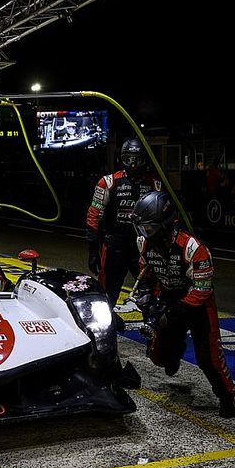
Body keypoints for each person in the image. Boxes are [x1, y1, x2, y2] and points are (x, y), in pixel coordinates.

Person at [130, 190, 235, 418]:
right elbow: (146, 272)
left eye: (148, 228)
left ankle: (226, 396)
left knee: (209, 359)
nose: (143, 234)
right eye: (141, 228)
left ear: (165, 224)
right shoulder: (144, 243)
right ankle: (175, 351)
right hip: (168, 295)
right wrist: (147, 295)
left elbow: (202, 289)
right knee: (159, 358)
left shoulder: (194, 248)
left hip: (199, 305)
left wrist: (174, 312)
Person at [86, 138, 159, 328]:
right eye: (128, 159)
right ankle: (104, 322)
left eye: (138, 160)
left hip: (143, 246)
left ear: (146, 160)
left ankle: (153, 322)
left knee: (150, 287)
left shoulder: (155, 184)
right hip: (114, 245)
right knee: (107, 290)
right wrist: (93, 250)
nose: (133, 164)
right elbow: (93, 216)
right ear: (122, 159)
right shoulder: (108, 182)